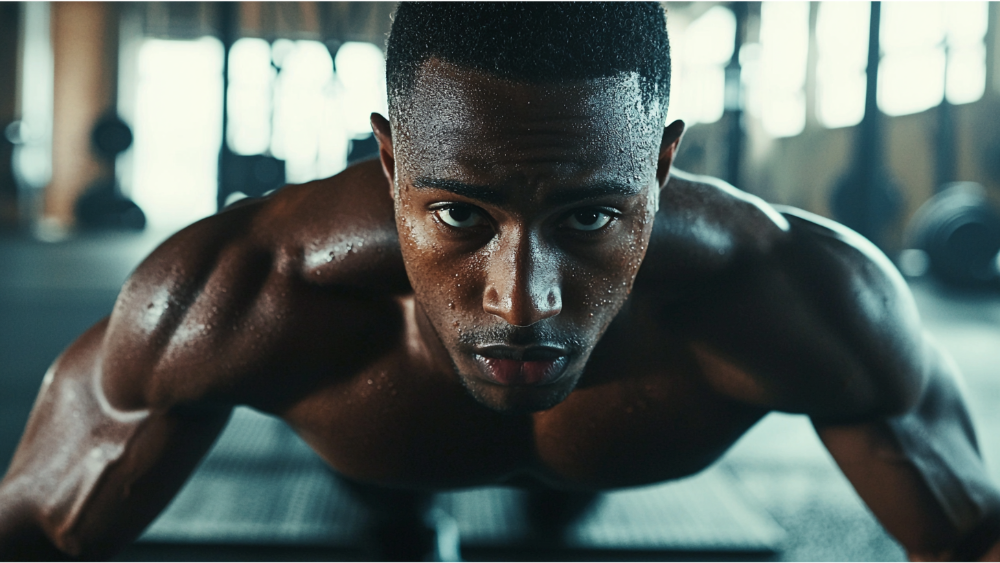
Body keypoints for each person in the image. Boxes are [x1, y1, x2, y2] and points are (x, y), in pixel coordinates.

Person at [2, 2, 999, 562]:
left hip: (596, 469)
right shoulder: (234, 291)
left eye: (590, 216)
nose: (523, 302)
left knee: (555, 508)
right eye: (459, 214)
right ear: (389, 162)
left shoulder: (807, 292)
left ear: (659, 166)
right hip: (376, 468)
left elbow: (966, 535)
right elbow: (38, 525)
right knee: (392, 514)